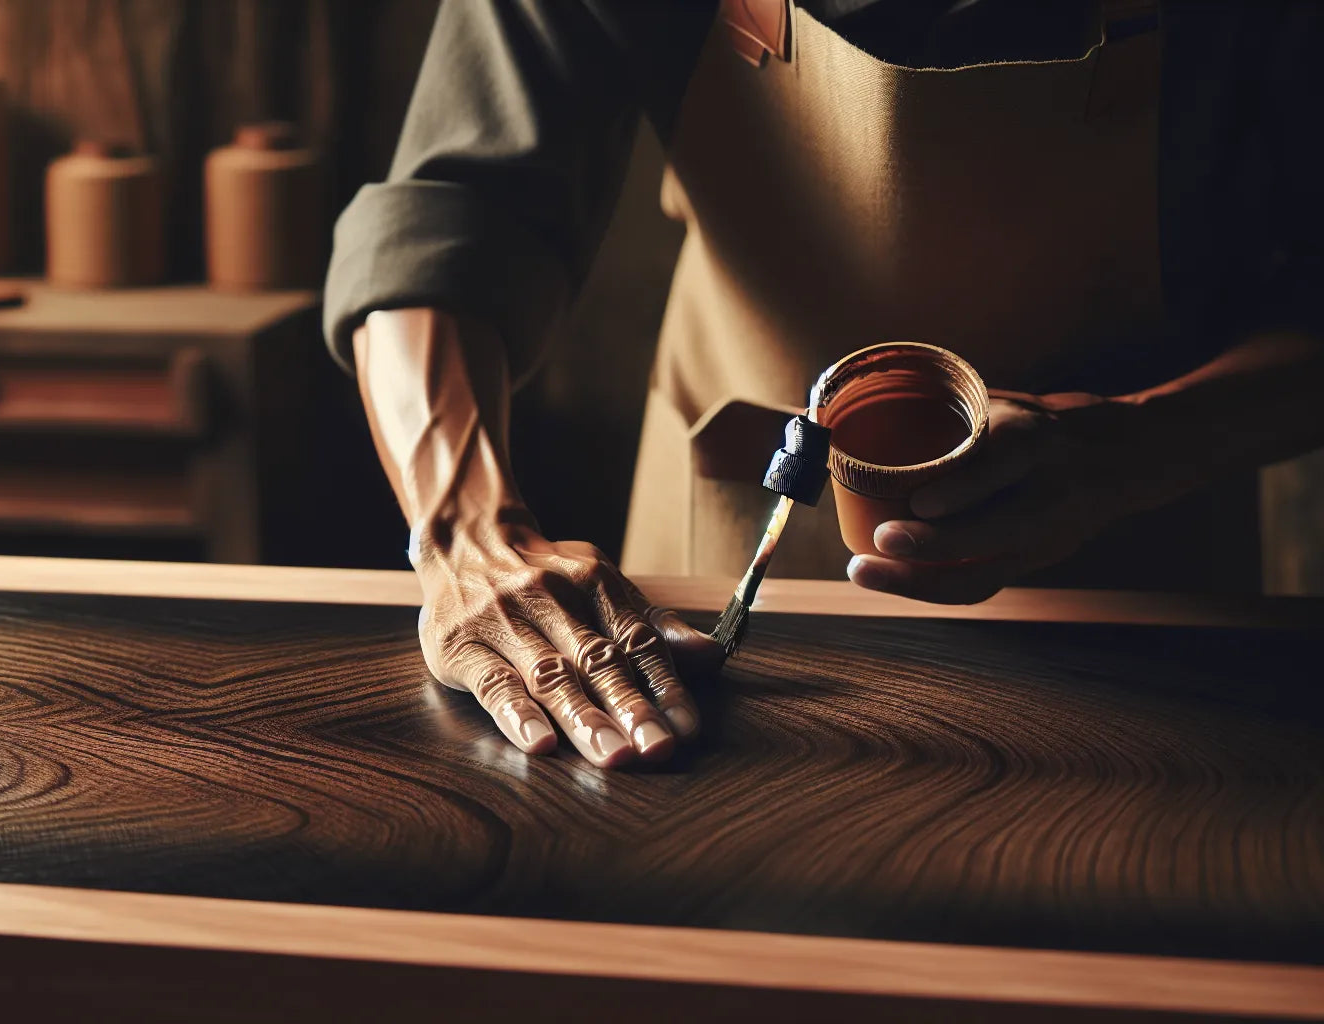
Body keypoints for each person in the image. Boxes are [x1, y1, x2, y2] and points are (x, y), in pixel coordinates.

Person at [323, 0, 1324, 767]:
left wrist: (1142, 441)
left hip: (1136, 591)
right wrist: (464, 531)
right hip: (717, 566)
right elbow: (453, 210)